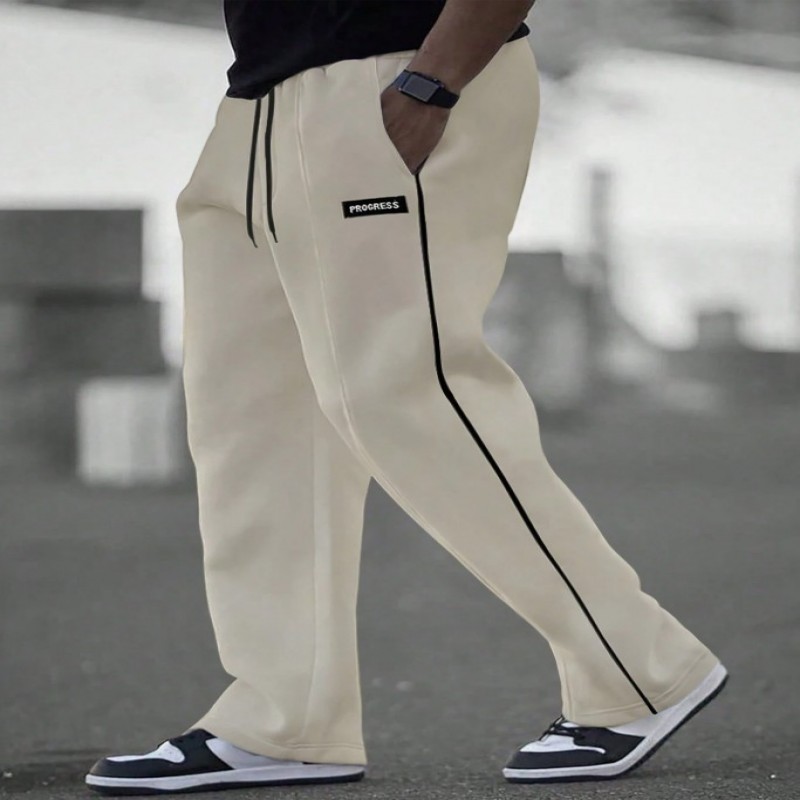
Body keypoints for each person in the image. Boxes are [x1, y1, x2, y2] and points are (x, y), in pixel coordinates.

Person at [85, 0, 727, 794]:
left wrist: (431, 83)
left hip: (395, 80)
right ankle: (285, 719)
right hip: (252, 107)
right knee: (252, 424)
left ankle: (637, 665)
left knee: (402, 392)